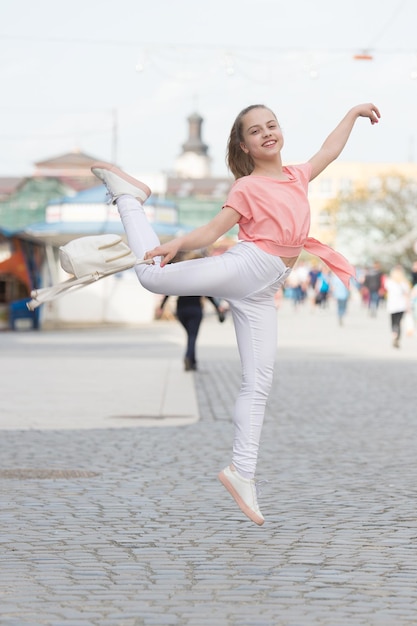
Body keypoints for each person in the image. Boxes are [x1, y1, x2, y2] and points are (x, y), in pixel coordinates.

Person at [91, 102, 380, 525]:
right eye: (255, 131)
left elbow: (329, 150)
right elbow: (215, 229)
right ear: (243, 145)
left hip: (263, 290)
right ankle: (129, 198)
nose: (267, 134)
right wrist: (179, 244)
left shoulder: (297, 175)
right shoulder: (246, 187)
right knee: (152, 278)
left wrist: (353, 113)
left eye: (272, 126)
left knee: (259, 381)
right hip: (247, 265)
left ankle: (242, 471)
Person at [156, 254, 226, 371]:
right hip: (195, 310)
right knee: (192, 336)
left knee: (190, 335)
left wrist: (161, 306)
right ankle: (188, 357)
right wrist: (217, 307)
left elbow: (169, 291)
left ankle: (193, 361)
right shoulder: (201, 278)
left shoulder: (180, 277)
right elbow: (208, 295)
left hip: (181, 311)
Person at [384, 264, 411, 348]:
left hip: (392, 305)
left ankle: (394, 335)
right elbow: (406, 295)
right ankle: (397, 337)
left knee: (393, 322)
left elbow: (386, 290)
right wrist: (408, 306)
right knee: (398, 322)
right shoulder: (404, 282)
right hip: (401, 305)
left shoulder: (389, 282)